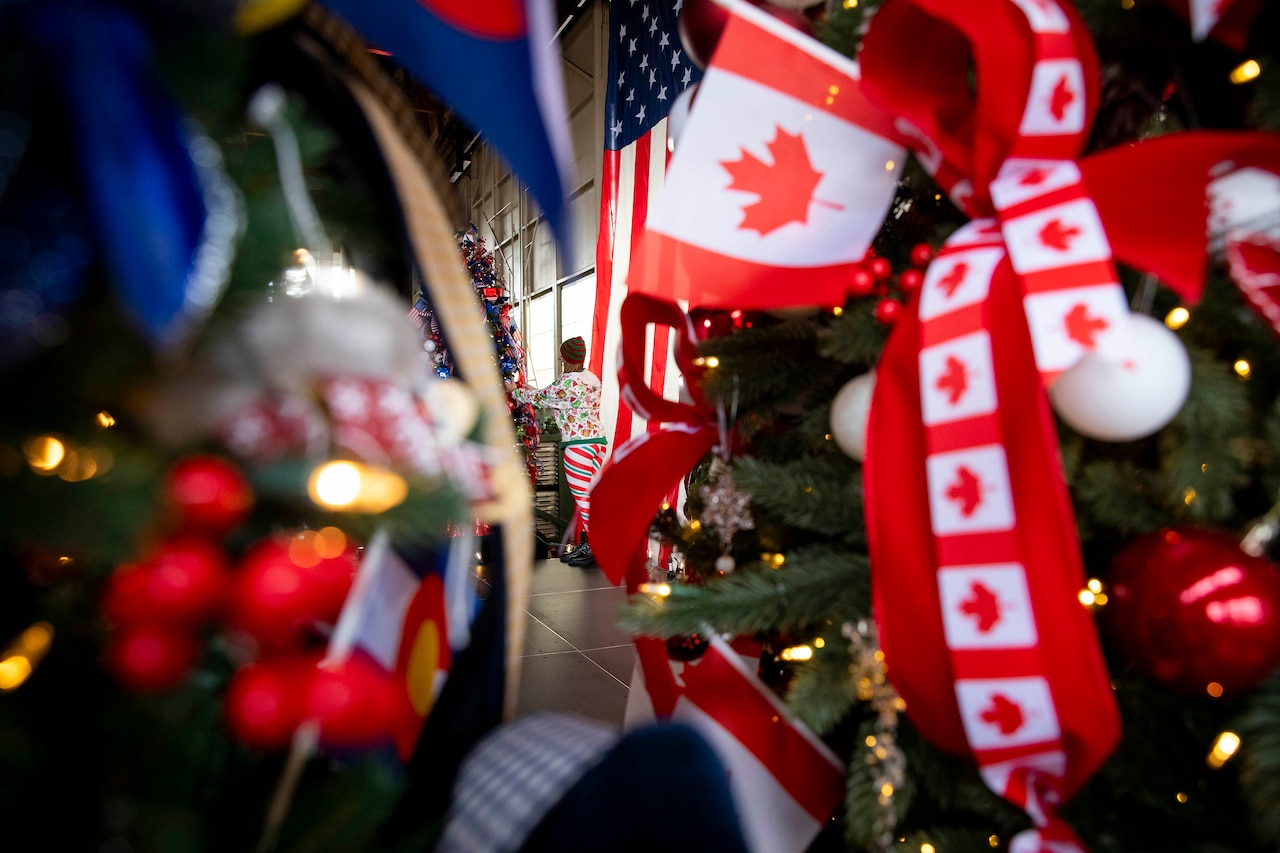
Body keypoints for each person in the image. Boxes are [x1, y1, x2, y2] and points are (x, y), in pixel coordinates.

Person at [510, 336, 606, 565]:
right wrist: (535, 391)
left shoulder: (565, 383)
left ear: (566, 358)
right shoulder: (592, 379)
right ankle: (590, 542)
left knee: (584, 499)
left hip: (577, 445)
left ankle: (595, 548)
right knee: (593, 495)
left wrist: (514, 390)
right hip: (598, 441)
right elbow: (557, 398)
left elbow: (541, 398)